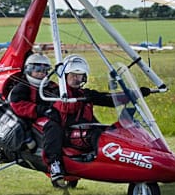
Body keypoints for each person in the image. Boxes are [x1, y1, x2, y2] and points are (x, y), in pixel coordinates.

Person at [43, 54, 151, 184]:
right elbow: (66, 107)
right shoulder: (57, 94)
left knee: (113, 131)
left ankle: (139, 158)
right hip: (68, 134)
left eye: (80, 76)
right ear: (65, 76)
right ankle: (61, 165)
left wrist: (135, 94)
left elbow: (110, 99)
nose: (77, 79)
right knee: (96, 134)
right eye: (73, 76)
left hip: (83, 131)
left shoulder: (85, 93)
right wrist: (79, 100)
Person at [9, 53, 57, 150]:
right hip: (30, 119)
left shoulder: (52, 86)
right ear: (29, 70)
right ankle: (28, 139)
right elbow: (18, 105)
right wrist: (42, 110)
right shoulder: (22, 86)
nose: (41, 73)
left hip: (49, 117)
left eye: (44, 70)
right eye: (37, 70)